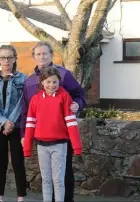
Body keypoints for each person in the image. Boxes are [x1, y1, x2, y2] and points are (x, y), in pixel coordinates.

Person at [20, 41, 86, 202]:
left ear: (51, 55)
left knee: (64, 173)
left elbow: (79, 94)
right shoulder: (29, 81)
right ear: (34, 57)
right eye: (38, 54)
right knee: (47, 176)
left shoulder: (64, 75)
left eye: (45, 53)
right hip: (41, 136)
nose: (42, 56)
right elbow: (25, 110)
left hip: (63, 134)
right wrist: (24, 134)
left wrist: (78, 104)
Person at [0, 45, 27, 202]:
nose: (6, 60)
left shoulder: (23, 79)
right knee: (1, 162)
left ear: (15, 58)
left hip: (16, 126)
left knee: (18, 162)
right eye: (3, 57)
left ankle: (20, 197)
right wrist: (3, 122)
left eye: (9, 57)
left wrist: (10, 122)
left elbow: (22, 102)